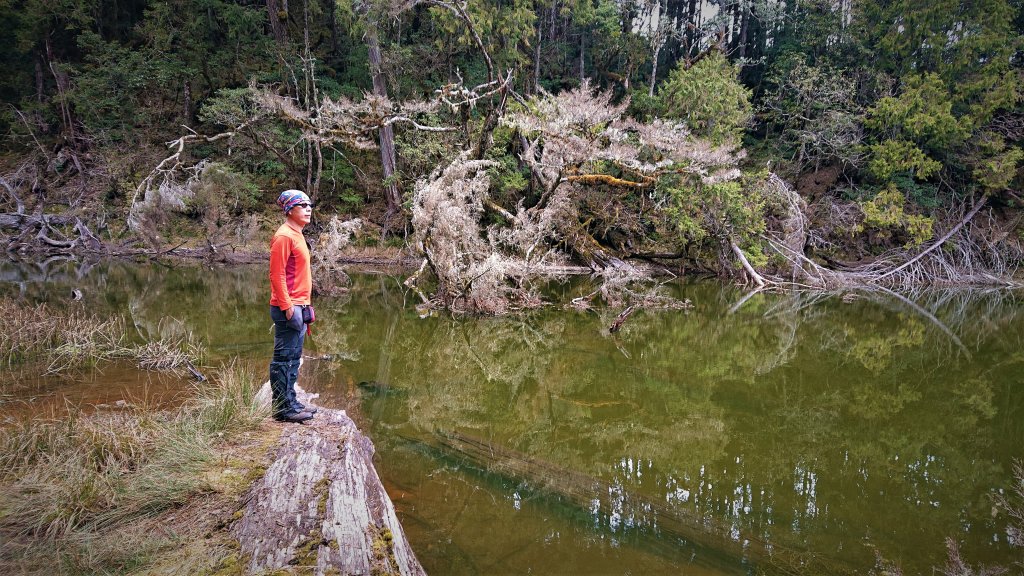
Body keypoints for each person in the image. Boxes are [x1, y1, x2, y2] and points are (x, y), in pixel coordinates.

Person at [268, 189, 318, 423]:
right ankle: (282, 409)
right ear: (290, 210)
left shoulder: (297, 234)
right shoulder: (284, 236)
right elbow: (276, 275)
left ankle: (290, 401)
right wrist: (288, 307)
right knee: (283, 358)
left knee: (294, 358)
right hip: (288, 307)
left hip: (300, 305)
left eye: (309, 205)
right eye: (302, 205)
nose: (308, 209)